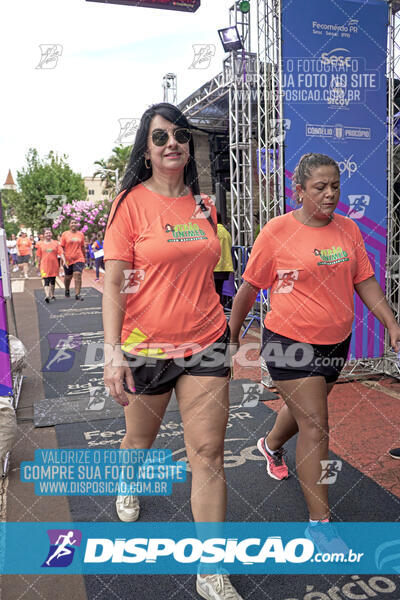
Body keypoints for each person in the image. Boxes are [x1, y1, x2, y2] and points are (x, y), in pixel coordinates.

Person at [103, 102, 242, 600]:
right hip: (147, 348)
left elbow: (215, 274)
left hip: (205, 341)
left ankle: (212, 569)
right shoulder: (130, 205)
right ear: (146, 148)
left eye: (179, 135)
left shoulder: (206, 207)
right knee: (139, 441)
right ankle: (128, 483)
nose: (172, 144)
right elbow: (114, 281)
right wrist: (113, 350)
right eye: (160, 137)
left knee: (207, 454)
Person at [229, 153, 400, 551]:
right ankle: (319, 524)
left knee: (306, 410)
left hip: (335, 344)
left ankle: (269, 446)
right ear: (299, 190)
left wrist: (392, 325)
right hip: (289, 342)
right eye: (319, 187)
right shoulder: (277, 232)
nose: (329, 194)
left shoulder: (349, 230)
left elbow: (366, 282)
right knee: (316, 425)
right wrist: (232, 336)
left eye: (335, 186)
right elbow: (249, 288)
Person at [36, 228, 64, 303]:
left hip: (54, 265)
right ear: (44, 235)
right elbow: (38, 255)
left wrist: (64, 261)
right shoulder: (40, 244)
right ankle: (47, 296)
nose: (48, 234)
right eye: (46, 233)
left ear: (51, 234)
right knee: (46, 280)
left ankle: (52, 295)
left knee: (52, 280)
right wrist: (38, 265)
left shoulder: (56, 243)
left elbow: (61, 252)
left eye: (49, 233)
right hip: (44, 265)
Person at [60, 219, 85, 300]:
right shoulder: (65, 234)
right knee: (68, 277)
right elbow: (62, 247)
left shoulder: (81, 234)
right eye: (72, 223)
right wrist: (62, 259)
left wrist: (84, 257)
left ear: (77, 224)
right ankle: (67, 289)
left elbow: (82, 247)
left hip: (79, 258)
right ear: (69, 225)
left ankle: (77, 294)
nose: (74, 224)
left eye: (75, 223)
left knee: (77, 275)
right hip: (68, 259)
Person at [213, 214, 234, 305]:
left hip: (215, 267)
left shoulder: (214, 231)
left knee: (212, 294)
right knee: (218, 293)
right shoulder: (226, 232)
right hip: (224, 267)